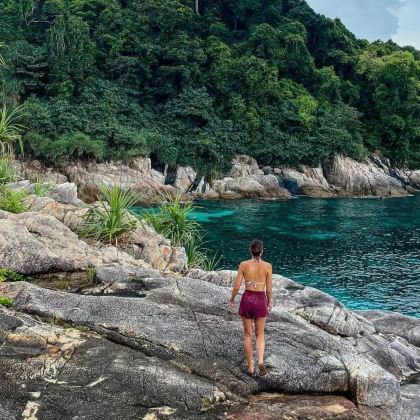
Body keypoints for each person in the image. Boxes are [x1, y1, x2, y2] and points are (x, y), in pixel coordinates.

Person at [229, 239, 273, 376]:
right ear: (262, 251)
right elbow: (269, 289)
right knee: (260, 334)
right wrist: (269, 301)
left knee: (248, 335)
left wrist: (232, 299)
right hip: (260, 299)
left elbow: (236, 286)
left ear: (250, 250)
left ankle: (250, 367)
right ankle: (260, 360)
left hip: (247, 299)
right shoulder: (267, 266)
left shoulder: (243, 265)